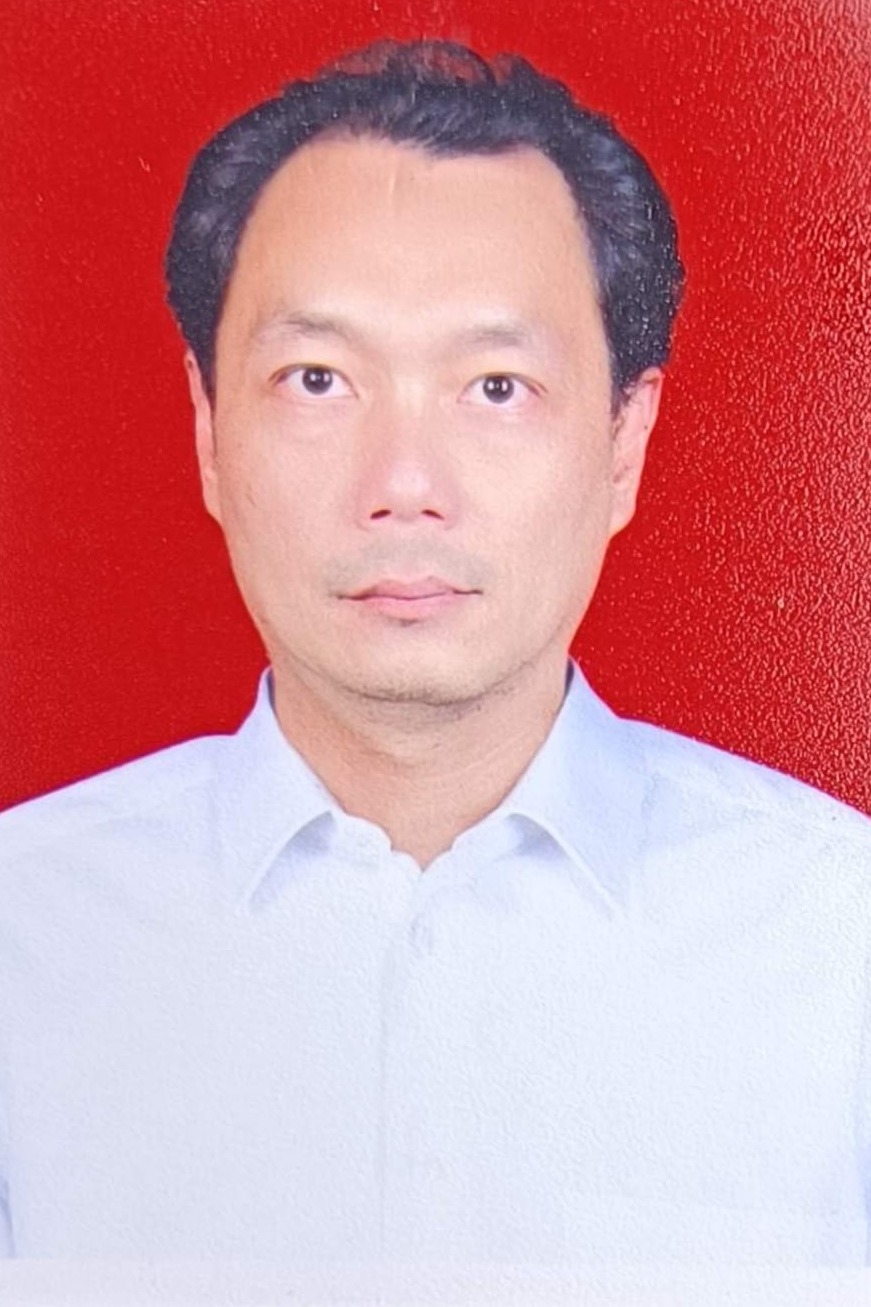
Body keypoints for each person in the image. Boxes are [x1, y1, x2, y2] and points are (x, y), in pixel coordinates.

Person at [0, 38, 869, 1267]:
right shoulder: (26, 941)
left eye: (496, 386)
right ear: (207, 428)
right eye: (317, 379)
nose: (404, 484)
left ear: (623, 442)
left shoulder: (838, 950)